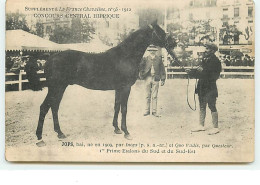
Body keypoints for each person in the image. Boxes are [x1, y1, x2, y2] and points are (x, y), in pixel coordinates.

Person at [186, 43, 222, 135]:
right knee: (202, 106)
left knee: (212, 106)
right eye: (205, 48)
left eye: (208, 49)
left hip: (210, 87)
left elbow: (214, 76)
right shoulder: (204, 60)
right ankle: (201, 125)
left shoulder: (216, 61)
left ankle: (215, 127)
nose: (205, 50)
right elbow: (200, 71)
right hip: (202, 86)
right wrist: (191, 72)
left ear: (213, 51)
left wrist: (202, 72)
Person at [139, 45, 166, 117]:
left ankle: (154, 111)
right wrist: (142, 75)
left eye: (154, 50)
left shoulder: (159, 59)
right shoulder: (145, 59)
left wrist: (163, 79)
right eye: (151, 50)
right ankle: (147, 111)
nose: (152, 51)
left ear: (156, 51)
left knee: (154, 95)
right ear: (149, 51)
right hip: (148, 78)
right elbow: (141, 67)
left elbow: (162, 70)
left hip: (156, 78)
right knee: (147, 95)